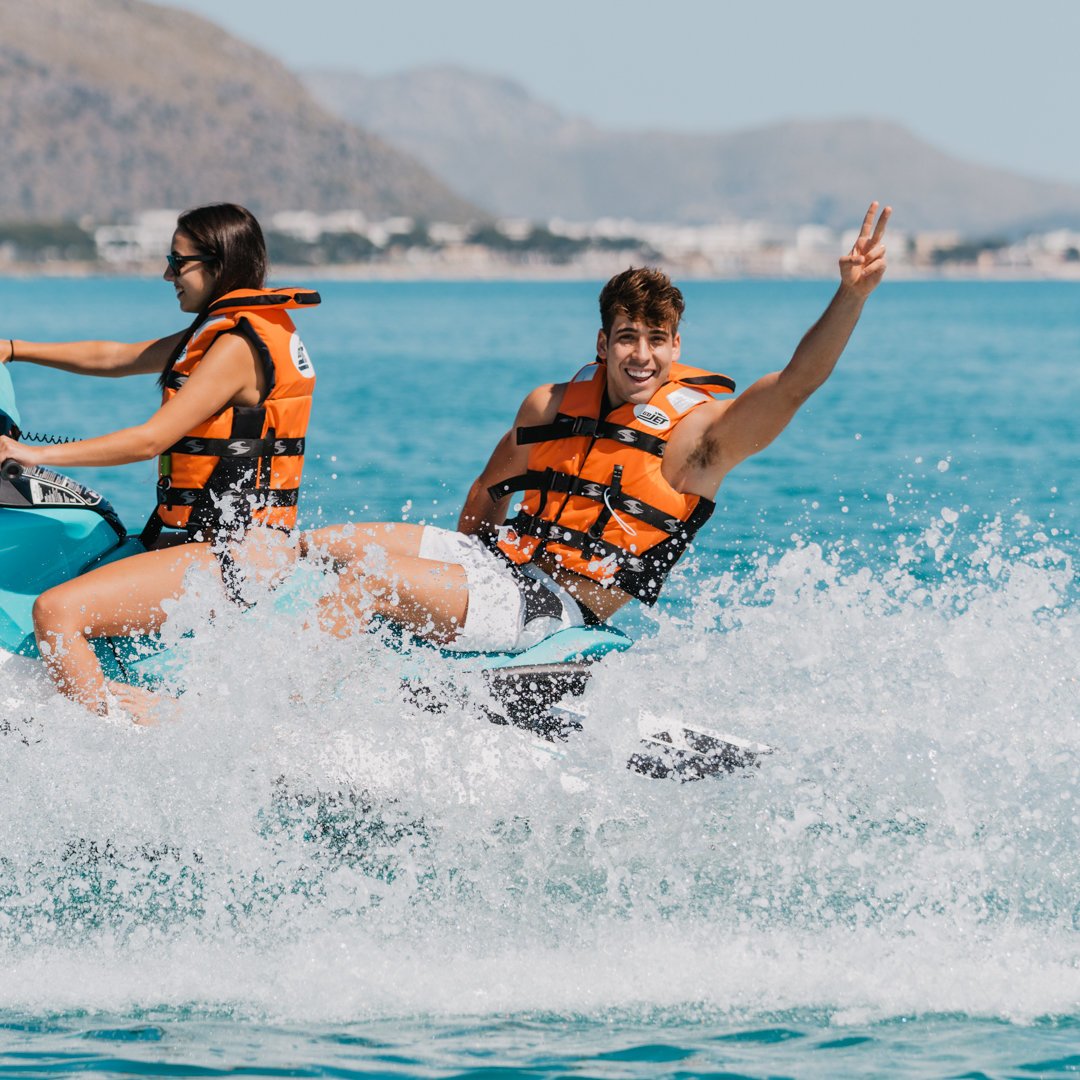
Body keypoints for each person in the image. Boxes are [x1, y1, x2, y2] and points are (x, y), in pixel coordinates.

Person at [303, 202, 890, 655]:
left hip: (553, 608)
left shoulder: (698, 440)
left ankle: (287, 715)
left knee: (364, 581)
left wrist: (851, 296)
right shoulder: (548, 406)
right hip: (497, 570)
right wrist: (457, 593)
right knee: (315, 547)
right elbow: (487, 492)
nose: (642, 355)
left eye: (657, 340)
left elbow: (795, 384)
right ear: (604, 344)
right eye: (628, 338)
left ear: (675, 347)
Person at [0, 203, 320, 721]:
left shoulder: (236, 347)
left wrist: (30, 453)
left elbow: (151, 440)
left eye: (178, 261)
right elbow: (118, 357)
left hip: (233, 555)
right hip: (208, 541)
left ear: (218, 264)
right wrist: (13, 349)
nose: (167, 274)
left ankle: (122, 737)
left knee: (55, 611)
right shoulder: (226, 331)